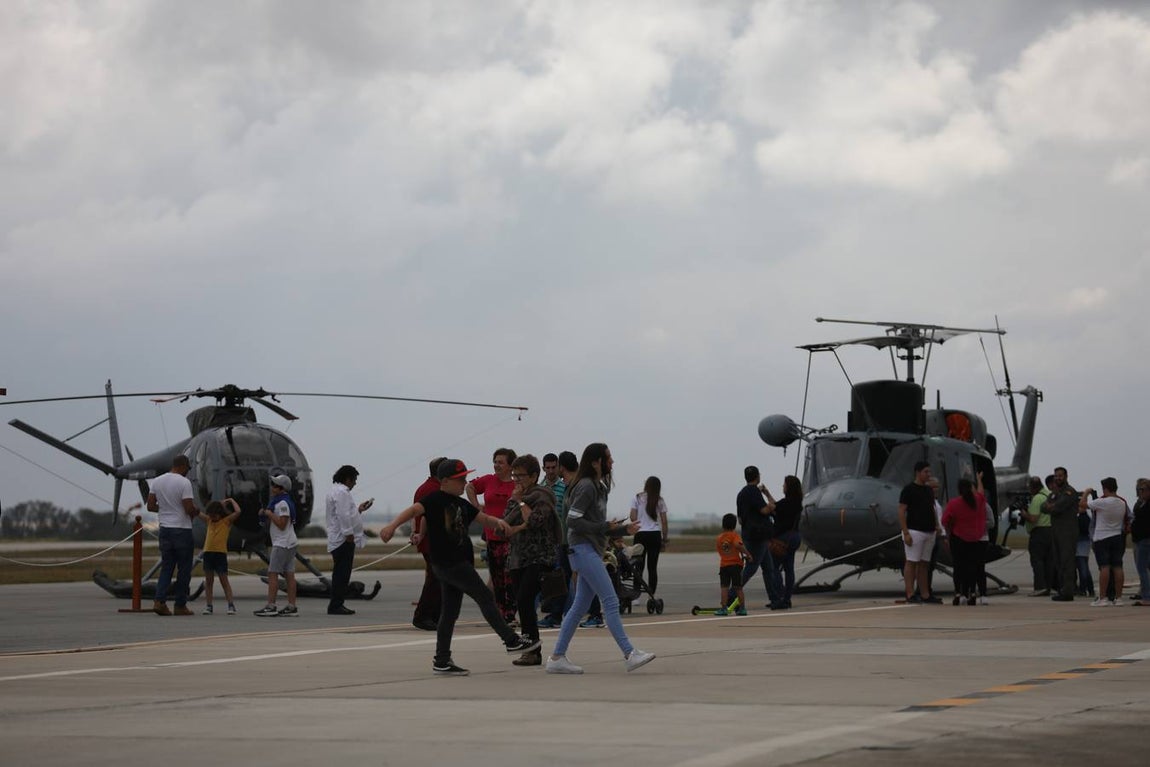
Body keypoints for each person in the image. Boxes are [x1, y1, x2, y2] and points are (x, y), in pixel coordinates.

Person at [379, 459, 538, 676]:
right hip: (450, 563)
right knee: (485, 596)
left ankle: (442, 660)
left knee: (449, 613)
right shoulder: (434, 499)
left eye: (464, 478)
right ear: (444, 481)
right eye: (460, 479)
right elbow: (414, 510)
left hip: (454, 563)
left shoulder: (461, 503)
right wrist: (391, 526)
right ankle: (511, 640)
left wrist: (499, 523)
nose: (464, 482)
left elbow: (482, 518)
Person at [545, 443, 656, 674]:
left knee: (579, 606)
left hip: (589, 550)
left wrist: (623, 530)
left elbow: (597, 526)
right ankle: (629, 653)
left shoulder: (599, 487)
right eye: (608, 458)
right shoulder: (586, 486)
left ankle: (557, 657)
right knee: (611, 601)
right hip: (582, 549)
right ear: (596, 462)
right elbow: (573, 521)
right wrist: (605, 526)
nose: (612, 462)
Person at [504, 454, 559, 666]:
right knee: (522, 602)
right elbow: (505, 521)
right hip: (518, 557)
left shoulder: (543, 496)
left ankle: (532, 648)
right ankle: (531, 649)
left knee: (525, 599)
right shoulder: (516, 496)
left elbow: (535, 521)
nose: (516, 480)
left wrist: (520, 501)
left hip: (539, 557)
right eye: (514, 475)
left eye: (521, 476)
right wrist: (515, 500)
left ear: (534, 476)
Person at [466, 448, 518, 624]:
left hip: (512, 539)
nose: (496, 465)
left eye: (501, 462)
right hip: (492, 538)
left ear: (510, 465)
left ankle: (510, 613)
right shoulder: (488, 480)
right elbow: (469, 487)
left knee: (510, 577)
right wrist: (476, 507)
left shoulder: (517, 485)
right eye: (495, 462)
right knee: (497, 578)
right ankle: (502, 613)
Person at [146, 454, 201, 616]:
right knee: (184, 569)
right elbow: (188, 508)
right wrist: (196, 511)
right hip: (182, 530)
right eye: (187, 469)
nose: (187, 472)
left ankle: (159, 601)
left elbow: (150, 506)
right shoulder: (184, 483)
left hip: (165, 530)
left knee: (167, 567)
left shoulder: (157, 481)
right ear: (182, 466)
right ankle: (180, 605)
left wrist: (165, 509)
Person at [326, 464, 373, 615]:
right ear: (348, 479)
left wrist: (359, 510)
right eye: (354, 480)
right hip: (342, 540)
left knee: (341, 573)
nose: (355, 483)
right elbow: (343, 514)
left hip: (338, 538)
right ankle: (336, 605)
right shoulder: (342, 492)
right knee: (342, 574)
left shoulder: (336, 491)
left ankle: (337, 603)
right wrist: (348, 534)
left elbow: (347, 513)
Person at [539, 450, 579, 629]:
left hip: (563, 539)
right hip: (546, 540)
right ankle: (556, 613)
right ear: (543, 468)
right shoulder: (540, 488)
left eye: (553, 467)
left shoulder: (566, 487)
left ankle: (558, 614)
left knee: (563, 576)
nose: (550, 471)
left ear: (558, 467)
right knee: (556, 577)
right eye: (547, 468)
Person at [736, 466, 783, 609]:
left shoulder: (741, 494)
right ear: (757, 476)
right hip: (758, 536)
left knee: (768, 568)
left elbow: (740, 519)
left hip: (748, 534)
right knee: (751, 568)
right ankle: (732, 594)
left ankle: (775, 599)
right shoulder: (754, 491)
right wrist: (770, 502)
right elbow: (765, 510)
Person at [1080, 477, 1132, 606]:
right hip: (1117, 536)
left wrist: (1086, 492)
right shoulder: (1122, 502)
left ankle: (1103, 598)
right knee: (1118, 567)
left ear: (1105, 489)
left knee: (1104, 567)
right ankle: (1118, 598)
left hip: (1102, 537)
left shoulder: (1102, 502)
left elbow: (1082, 505)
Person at [254, 474, 300, 617]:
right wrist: (267, 512)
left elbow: (281, 524)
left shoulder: (282, 504)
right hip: (289, 543)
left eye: (275, 485)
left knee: (272, 573)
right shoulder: (280, 502)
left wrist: (269, 514)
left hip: (282, 543)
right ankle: (291, 606)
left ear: (282, 488)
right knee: (289, 575)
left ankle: (271, 606)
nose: (272, 487)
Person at [411, 457, 448, 631]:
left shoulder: (424, 488)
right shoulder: (435, 489)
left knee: (438, 578)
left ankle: (434, 615)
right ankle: (423, 616)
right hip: (432, 540)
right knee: (435, 579)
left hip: (428, 539)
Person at [898, 461, 941, 604]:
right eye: (926, 472)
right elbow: (901, 510)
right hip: (914, 531)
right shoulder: (908, 489)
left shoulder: (928, 490)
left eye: (929, 472)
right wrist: (906, 532)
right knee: (911, 562)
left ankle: (925, 594)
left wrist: (937, 525)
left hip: (929, 531)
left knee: (924, 564)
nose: (929, 474)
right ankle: (910, 593)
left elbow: (932, 509)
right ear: (918, 472)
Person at [941, 475, 987, 606]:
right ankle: (972, 593)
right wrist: (979, 479)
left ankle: (959, 594)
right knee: (972, 567)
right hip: (975, 539)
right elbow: (981, 492)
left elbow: (944, 521)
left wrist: (951, 527)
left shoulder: (954, 503)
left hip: (958, 538)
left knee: (959, 567)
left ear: (959, 490)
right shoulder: (978, 500)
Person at [628, 476, 669, 596]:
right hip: (655, 535)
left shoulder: (637, 498)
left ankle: (636, 595)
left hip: (640, 534)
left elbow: (632, 517)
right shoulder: (660, 500)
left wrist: (640, 520)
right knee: (652, 567)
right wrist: (664, 539)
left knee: (638, 566)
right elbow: (664, 522)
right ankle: (652, 596)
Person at [1045, 466, 1080, 601]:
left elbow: (1059, 507)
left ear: (1065, 477)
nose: (1057, 478)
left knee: (1067, 562)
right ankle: (1062, 589)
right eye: (1056, 476)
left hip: (1067, 532)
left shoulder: (1069, 492)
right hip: (1056, 531)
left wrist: (1051, 506)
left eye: (1060, 476)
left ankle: (1068, 592)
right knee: (1058, 562)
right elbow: (1043, 507)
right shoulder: (1054, 493)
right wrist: (1051, 506)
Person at [201, 498, 241, 615]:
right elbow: (197, 512)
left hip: (220, 554)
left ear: (220, 514)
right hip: (208, 553)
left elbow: (238, 512)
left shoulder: (226, 521)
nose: (212, 517)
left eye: (215, 515)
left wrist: (231, 501)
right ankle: (209, 605)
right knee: (209, 581)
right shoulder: (209, 521)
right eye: (211, 515)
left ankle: (231, 604)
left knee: (224, 581)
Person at [770, 475, 804, 610]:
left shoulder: (786, 503)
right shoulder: (797, 502)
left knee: (774, 567)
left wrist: (764, 496)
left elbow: (773, 507)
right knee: (789, 568)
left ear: (789, 487)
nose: (783, 486)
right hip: (795, 537)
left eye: (784, 484)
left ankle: (779, 597)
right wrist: (767, 493)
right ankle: (787, 599)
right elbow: (777, 506)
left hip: (783, 538)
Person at [1022, 475, 1054, 596]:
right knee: (1049, 561)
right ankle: (1048, 586)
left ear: (1033, 487)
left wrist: (1024, 514)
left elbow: (1033, 518)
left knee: (1037, 560)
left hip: (1039, 532)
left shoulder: (1037, 498)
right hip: (1051, 531)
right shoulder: (1050, 495)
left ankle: (1040, 587)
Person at [714, 513, 749, 616]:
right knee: (738, 588)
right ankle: (742, 608)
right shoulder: (734, 536)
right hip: (735, 565)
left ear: (723, 525)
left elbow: (720, 550)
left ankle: (724, 608)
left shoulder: (719, 538)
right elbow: (738, 545)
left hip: (724, 565)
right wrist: (747, 554)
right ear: (734, 525)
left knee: (724, 587)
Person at [1132, 479, 1150, 606]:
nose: (1140, 492)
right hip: (1140, 539)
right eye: (1139, 490)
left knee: (1142, 568)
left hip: (1145, 539)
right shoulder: (1142, 503)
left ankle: (1147, 596)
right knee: (1144, 567)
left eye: (1143, 490)